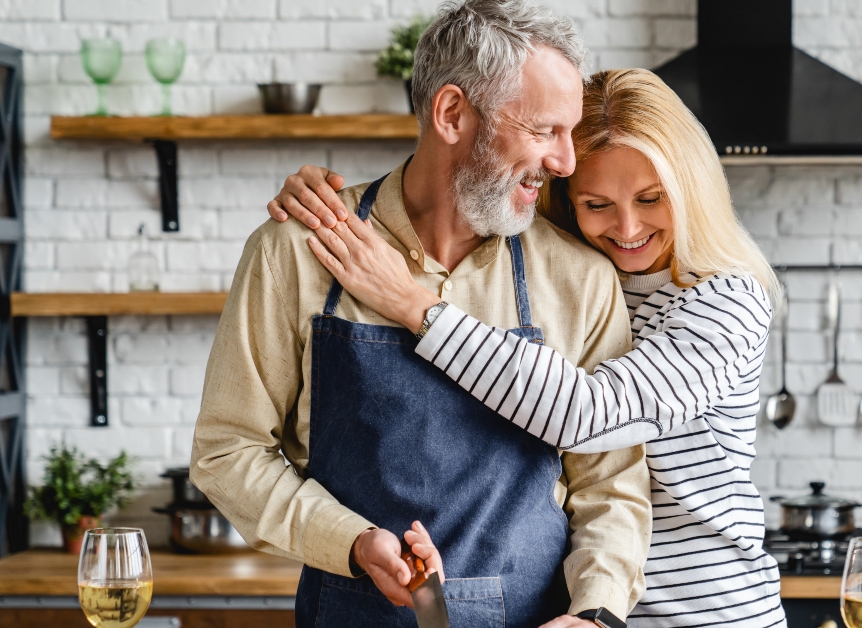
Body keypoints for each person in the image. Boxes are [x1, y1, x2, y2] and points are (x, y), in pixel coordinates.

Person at [269, 69, 787, 627]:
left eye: (651, 198)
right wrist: (338, 202)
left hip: (705, 613)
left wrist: (409, 302)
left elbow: (586, 416)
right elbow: (456, 176)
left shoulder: (725, 300)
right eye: (597, 204)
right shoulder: (579, 273)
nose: (628, 226)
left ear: (692, 186)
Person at [191, 2, 653, 627]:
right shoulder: (297, 252)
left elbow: (610, 485)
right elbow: (228, 450)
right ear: (452, 114)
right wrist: (349, 540)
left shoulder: (579, 277)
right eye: (545, 130)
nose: (567, 163)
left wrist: (596, 614)